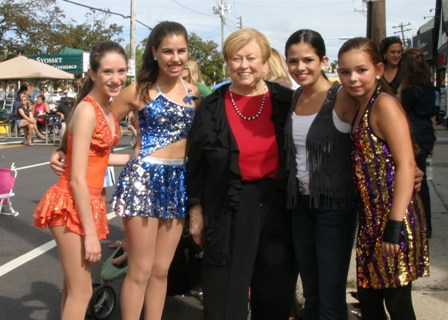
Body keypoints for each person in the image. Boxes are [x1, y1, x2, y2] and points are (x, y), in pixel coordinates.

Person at [187, 27, 297, 320]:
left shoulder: (287, 101)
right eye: (236, 58)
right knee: (224, 294)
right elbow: (196, 164)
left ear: (264, 62)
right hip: (228, 208)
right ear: (227, 62)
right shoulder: (211, 107)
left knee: (274, 291)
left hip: (278, 208)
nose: (244, 65)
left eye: (251, 58)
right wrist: (196, 212)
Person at [32, 40, 130, 320]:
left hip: (88, 200)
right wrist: (90, 235)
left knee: (73, 288)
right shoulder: (88, 110)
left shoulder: (106, 107)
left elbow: (96, 157)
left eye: (121, 71)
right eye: (108, 72)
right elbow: (76, 177)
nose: (116, 79)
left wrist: (132, 159)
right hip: (70, 201)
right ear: (92, 74)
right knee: (82, 292)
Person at [110, 21, 200, 320]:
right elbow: (96, 125)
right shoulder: (137, 91)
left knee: (162, 270)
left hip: (177, 182)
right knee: (140, 269)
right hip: (143, 181)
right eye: (167, 51)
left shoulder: (194, 93)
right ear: (154, 53)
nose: (175, 58)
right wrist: (65, 151)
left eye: (181, 51)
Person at [337, 37, 429, 320]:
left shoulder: (384, 104)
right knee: (369, 299)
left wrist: (394, 225)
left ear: (378, 68)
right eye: (345, 71)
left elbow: (405, 165)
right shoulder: (359, 104)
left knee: (398, 302)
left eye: (361, 70)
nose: (353, 78)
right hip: (371, 223)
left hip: (395, 220)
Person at [284, 29, 358, 320]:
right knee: (311, 292)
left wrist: (409, 164)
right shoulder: (294, 99)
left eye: (307, 60)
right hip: (299, 206)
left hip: (334, 207)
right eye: (293, 61)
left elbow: (378, 129)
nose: (300, 67)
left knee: (330, 296)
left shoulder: (341, 97)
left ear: (323, 60)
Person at [399, 48, 437, 238]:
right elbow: (432, 113)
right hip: (427, 134)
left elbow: (402, 112)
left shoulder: (410, 90)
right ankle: (426, 224)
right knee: (423, 184)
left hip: (414, 136)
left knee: (414, 181)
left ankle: (417, 223)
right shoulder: (429, 86)